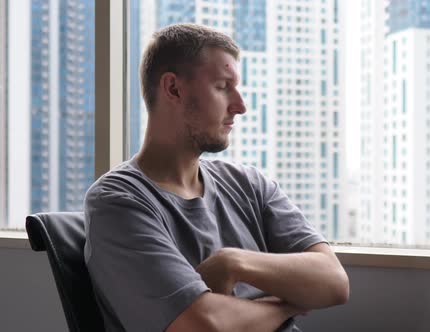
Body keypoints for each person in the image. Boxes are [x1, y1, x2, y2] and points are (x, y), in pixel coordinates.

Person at [84, 23, 349, 332]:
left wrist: (233, 263)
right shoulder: (118, 201)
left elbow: (334, 282)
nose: (241, 106)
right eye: (224, 86)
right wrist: (288, 303)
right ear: (173, 88)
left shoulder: (248, 183)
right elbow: (204, 326)